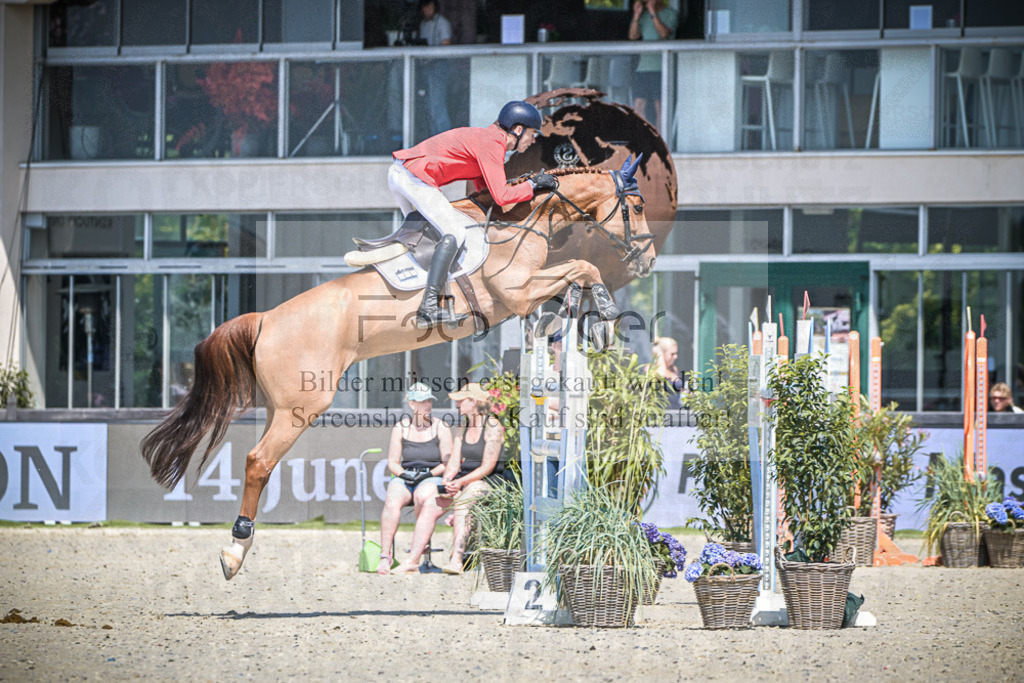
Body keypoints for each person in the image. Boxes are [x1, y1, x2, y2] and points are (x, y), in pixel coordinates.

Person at [390, 100, 557, 329]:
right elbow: (501, 196)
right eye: (532, 133)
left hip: (403, 174)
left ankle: (420, 293)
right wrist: (532, 186)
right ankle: (428, 307)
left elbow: (484, 191)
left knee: (429, 240)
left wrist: (525, 188)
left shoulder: (490, 140)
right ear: (518, 130)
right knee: (455, 233)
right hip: (413, 177)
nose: (533, 139)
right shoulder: (492, 143)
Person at [377, 383, 454, 574]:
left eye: (429, 400)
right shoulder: (401, 428)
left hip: (431, 474)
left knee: (423, 494)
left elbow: (447, 463)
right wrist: (403, 475)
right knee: (392, 498)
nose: (427, 405)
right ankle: (385, 555)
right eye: (422, 401)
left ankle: (418, 550)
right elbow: (393, 462)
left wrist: (428, 474)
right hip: (407, 475)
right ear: (412, 404)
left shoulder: (441, 427)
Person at [440, 382, 506, 574]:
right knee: (428, 498)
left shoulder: (492, 425)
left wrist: (459, 482)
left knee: (467, 496)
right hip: (466, 481)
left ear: (473, 402)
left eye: (461, 401)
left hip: (491, 481)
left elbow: (488, 466)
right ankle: (416, 559)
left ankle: (457, 558)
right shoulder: (463, 426)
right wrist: (447, 482)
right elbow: (453, 462)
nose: (457, 405)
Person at [628, 0, 678, 125]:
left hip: (662, 67)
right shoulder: (643, 15)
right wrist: (636, 16)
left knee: (660, 106)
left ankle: (660, 140)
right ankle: (642, 139)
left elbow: (664, 33)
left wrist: (653, 12)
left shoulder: (670, 13)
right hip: (643, 67)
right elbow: (633, 36)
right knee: (639, 104)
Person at [418, 0, 453, 136]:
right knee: (429, 107)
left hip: (438, 66)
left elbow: (446, 43)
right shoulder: (423, 24)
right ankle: (434, 138)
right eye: (425, 7)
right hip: (425, 68)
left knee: (437, 106)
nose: (427, 10)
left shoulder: (442, 23)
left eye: (429, 7)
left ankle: (445, 140)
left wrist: (430, 58)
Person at [647, 336, 684, 409]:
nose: (676, 356)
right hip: (659, 413)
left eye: (676, 353)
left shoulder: (674, 369)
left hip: (675, 411)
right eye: (672, 354)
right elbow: (661, 375)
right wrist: (659, 354)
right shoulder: (650, 369)